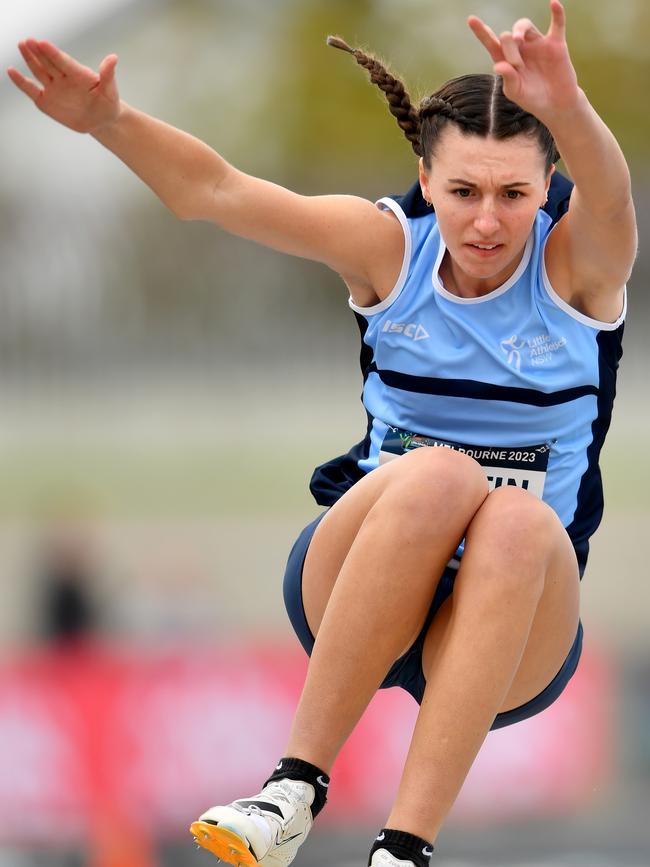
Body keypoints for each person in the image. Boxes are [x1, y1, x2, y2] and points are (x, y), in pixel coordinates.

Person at [7, 1, 636, 865]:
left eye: (513, 194)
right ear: (426, 177)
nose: (487, 222)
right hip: (367, 575)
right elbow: (216, 192)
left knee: (520, 520)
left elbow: (609, 197)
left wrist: (569, 106)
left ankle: (401, 850)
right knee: (440, 477)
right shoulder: (387, 249)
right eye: (463, 191)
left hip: (511, 617)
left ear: (544, 190)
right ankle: (290, 790)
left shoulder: (578, 269)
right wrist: (111, 120)